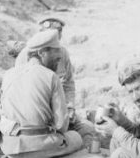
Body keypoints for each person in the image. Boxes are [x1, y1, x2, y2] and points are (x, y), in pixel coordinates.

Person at [0, 30, 83, 158]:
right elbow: (61, 126)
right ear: (41, 53)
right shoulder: (51, 76)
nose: (59, 58)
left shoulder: (8, 74)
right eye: (55, 53)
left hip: (10, 148)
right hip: (40, 148)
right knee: (77, 137)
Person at [15, 18, 95, 147]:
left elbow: (68, 84)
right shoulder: (25, 56)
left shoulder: (62, 53)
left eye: (57, 34)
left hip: (59, 108)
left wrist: (70, 108)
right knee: (71, 136)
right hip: (36, 113)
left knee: (88, 129)